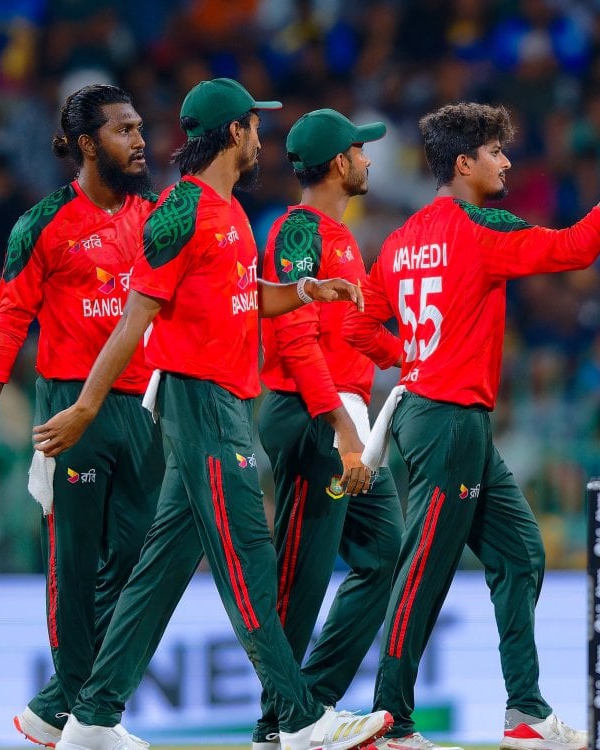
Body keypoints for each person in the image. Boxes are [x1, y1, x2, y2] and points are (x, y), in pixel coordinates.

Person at [30, 78, 392, 750]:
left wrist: (306, 289)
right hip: (200, 402)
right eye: (255, 126)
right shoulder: (181, 213)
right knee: (249, 560)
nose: (261, 139)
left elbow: (243, 299)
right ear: (234, 132)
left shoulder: (228, 213)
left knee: (162, 569)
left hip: (224, 401)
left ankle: (91, 717)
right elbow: (134, 318)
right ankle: (300, 718)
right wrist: (84, 407)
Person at [342, 101, 600, 750]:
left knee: (521, 553)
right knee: (423, 569)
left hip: (437, 414)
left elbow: (356, 324)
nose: (506, 162)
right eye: (495, 152)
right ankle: (390, 723)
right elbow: (578, 247)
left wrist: (408, 359)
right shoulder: (480, 228)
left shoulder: (401, 238)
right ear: (463, 163)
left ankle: (525, 713)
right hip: (448, 420)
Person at [0, 83, 162, 748]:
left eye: (139, 128)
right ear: (86, 145)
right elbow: (8, 319)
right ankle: (85, 717)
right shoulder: (41, 223)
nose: (140, 141)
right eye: (124, 130)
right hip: (70, 409)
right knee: (72, 562)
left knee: (138, 556)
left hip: (144, 404)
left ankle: (58, 707)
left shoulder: (155, 216)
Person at [252, 108, 403, 750]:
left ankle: (309, 703)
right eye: (360, 151)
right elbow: (293, 338)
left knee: (384, 550)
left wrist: (411, 357)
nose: (368, 159)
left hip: (342, 413)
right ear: (340, 163)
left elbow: (351, 333)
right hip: (314, 415)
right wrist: (340, 426)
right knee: (301, 572)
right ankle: (278, 723)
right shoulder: (297, 231)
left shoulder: (337, 236)